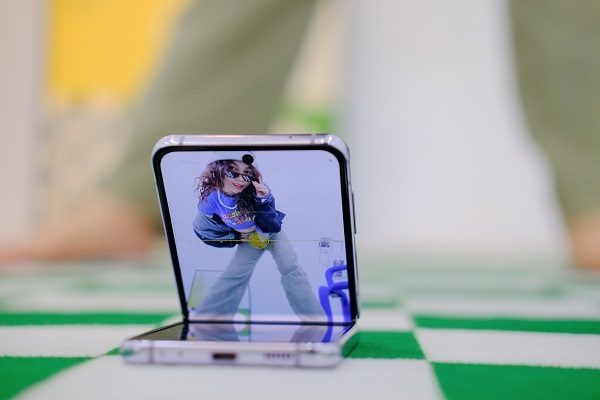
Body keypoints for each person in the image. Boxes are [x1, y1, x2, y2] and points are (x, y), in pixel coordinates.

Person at [190, 152, 324, 320]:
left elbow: (272, 224)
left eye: (247, 174)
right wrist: (235, 236)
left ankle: (314, 319)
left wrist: (264, 200)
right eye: (232, 171)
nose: (240, 179)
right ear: (219, 170)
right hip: (249, 240)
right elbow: (203, 231)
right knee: (233, 275)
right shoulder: (211, 200)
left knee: (291, 269)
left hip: (271, 233)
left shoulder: (258, 191)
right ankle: (209, 317)